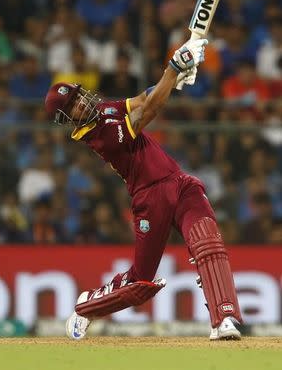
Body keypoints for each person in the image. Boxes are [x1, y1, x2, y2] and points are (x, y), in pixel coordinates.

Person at [44, 38, 243, 341]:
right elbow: (149, 111)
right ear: (67, 118)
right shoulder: (102, 137)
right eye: (72, 104)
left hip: (179, 182)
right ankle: (87, 307)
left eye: (77, 95)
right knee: (141, 283)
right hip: (150, 198)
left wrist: (177, 78)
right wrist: (173, 68)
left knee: (209, 244)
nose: (80, 102)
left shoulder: (105, 109)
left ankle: (223, 318)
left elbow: (141, 98)